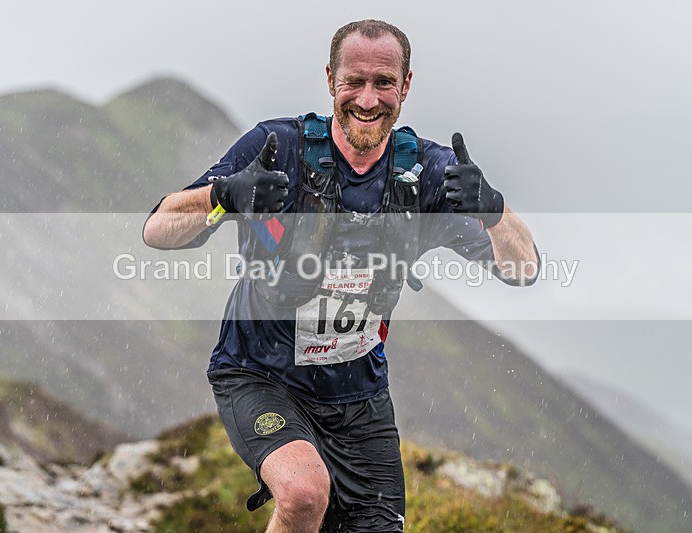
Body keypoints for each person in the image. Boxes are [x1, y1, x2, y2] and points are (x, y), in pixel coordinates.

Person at [143, 19, 538, 533]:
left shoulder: (426, 177)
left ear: (407, 86)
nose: (368, 100)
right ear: (330, 80)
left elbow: (523, 269)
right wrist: (223, 198)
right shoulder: (276, 148)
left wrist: (494, 211)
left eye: (384, 83)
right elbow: (157, 229)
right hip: (259, 374)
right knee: (306, 493)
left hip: (359, 398)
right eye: (354, 82)